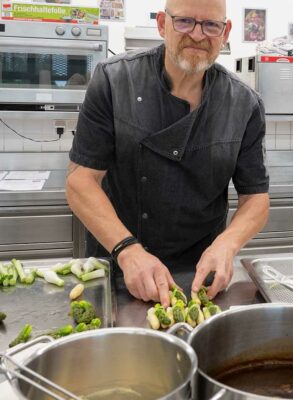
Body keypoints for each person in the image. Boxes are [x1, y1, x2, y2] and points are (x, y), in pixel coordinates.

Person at [65, 0, 270, 307]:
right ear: (162, 24)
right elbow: (80, 181)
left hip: (200, 275)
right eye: (185, 21)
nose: (198, 36)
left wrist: (227, 245)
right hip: (119, 267)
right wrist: (128, 250)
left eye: (211, 25)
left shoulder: (244, 104)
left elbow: (256, 198)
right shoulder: (113, 80)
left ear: (225, 32)